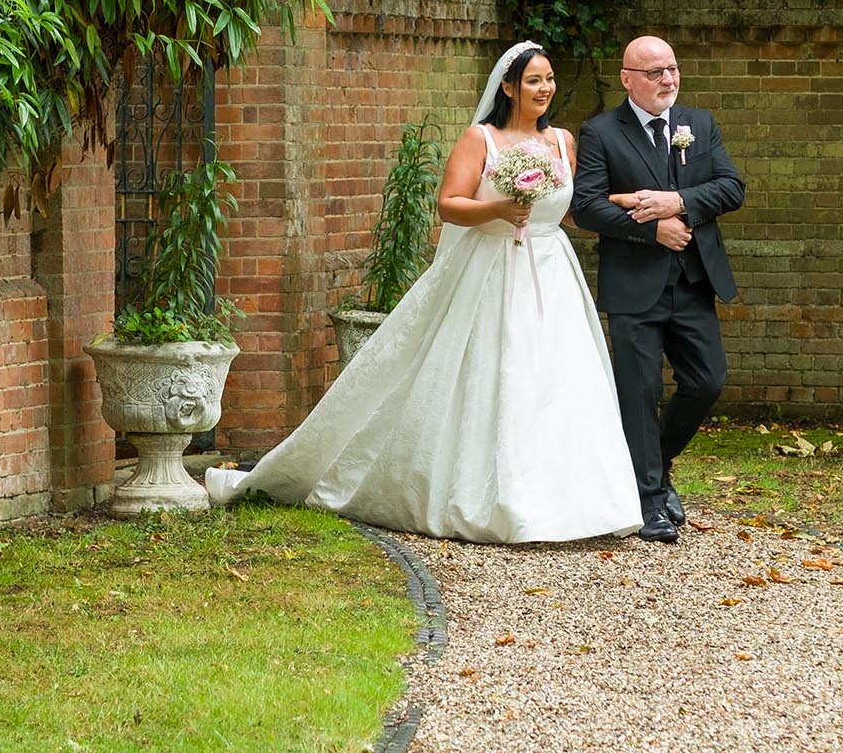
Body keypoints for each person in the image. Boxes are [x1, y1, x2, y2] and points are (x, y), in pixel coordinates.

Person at [205, 43, 642, 543]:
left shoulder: (563, 141)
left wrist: (617, 204)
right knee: (500, 372)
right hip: (493, 268)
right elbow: (449, 205)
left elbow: (564, 210)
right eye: (533, 80)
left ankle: (579, 501)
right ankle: (498, 500)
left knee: (562, 379)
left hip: (553, 273)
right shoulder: (482, 139)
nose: (544, 89)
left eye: (549, 79)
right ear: (508, 86)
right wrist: (498, 211)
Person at [571, 36, 745, 544]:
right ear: (627, 78)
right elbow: (586, 207)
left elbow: (731, 188)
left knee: (707, 381)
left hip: (694, 281)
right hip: (634, 287)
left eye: (672, 69)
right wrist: (652, 229)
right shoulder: (602, 132)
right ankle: (648, 500)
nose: (667, 80)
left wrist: (677, 202)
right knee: (639, 392)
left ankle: (657, 463)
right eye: (654, 73)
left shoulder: (700, 124)